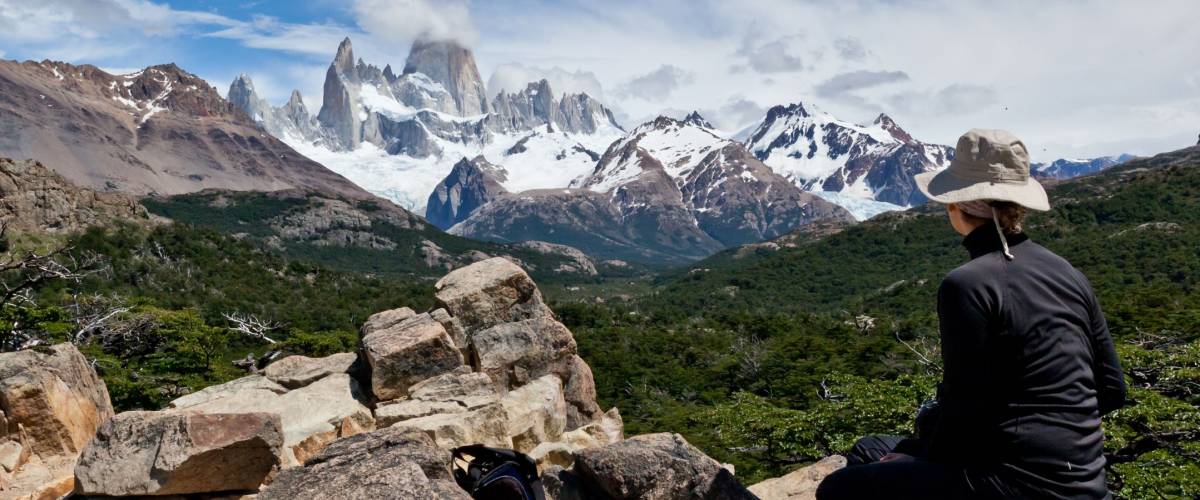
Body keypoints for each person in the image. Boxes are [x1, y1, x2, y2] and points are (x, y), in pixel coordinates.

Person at [816, 129, 1127, 499]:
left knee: (841, 486)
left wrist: (927, 447)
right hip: (1085, 482)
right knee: (873, 450)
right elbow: (1112, 390)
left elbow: (963, 407)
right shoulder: (1069, 274)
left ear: (957, 206)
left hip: (1010, 482)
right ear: (1018, 206)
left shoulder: (966, 283)